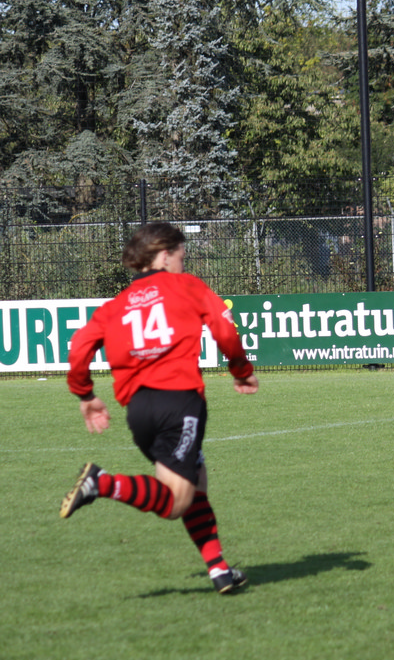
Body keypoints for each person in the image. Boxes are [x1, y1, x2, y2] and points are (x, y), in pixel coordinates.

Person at [59, 221, 259, 595]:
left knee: (196, 478)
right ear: (165, 255)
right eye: (182, 255)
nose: (184, 262)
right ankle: (102, 483)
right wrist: (241, 371)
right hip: (179, 402)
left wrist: (85, 395)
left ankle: (218, 569)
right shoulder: (187, 286)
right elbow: (224, 330)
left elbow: (79, 348)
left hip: (139, 411)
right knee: (175, 502)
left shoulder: (115, 306)